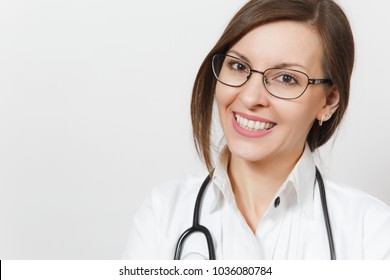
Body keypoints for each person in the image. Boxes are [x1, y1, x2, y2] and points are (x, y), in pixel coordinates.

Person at [123, 0, 390, 259]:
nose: (251, 98)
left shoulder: (372, 233)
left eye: (286, 78)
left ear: (329, 101)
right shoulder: (163, 214)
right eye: (238, 66)